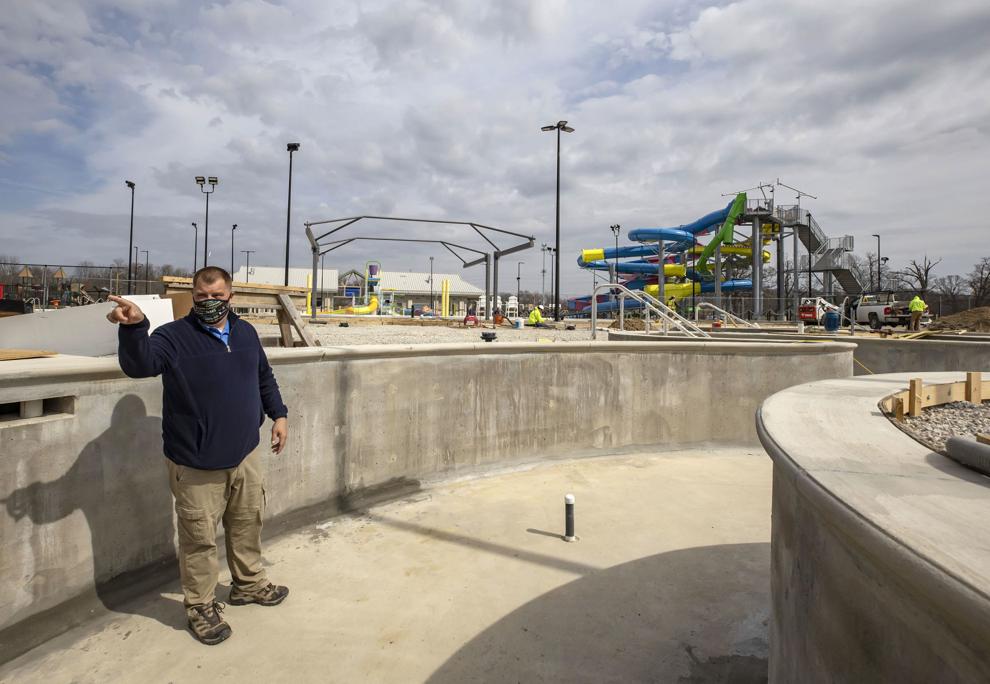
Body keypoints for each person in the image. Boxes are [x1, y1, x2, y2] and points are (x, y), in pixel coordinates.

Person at [106, 266, 289, 646]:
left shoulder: (245, 332)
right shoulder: (173, 337)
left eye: (217, 296)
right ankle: (201, 606)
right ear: (193, 296)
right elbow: (140, 365)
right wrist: (133, 327)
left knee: (246, 524)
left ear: (231, 297)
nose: (209, 303)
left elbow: (263, 377)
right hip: (195, 462)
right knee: (199, 539)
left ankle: (248, 584)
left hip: (245, 453)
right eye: (202, 297)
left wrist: (279, 415)